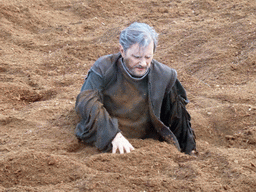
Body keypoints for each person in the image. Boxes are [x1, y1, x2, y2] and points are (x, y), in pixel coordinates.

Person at [75, 22, 196, 154]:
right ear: (122, 51)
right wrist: (112, 134)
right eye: (136, 57)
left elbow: (179, 120)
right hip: (109, 140)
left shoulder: (164, 76)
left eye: (148, 57)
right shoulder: (104, 68)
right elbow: (86, 103)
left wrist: (188, 151)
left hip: (147, 145)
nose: (143, 63)